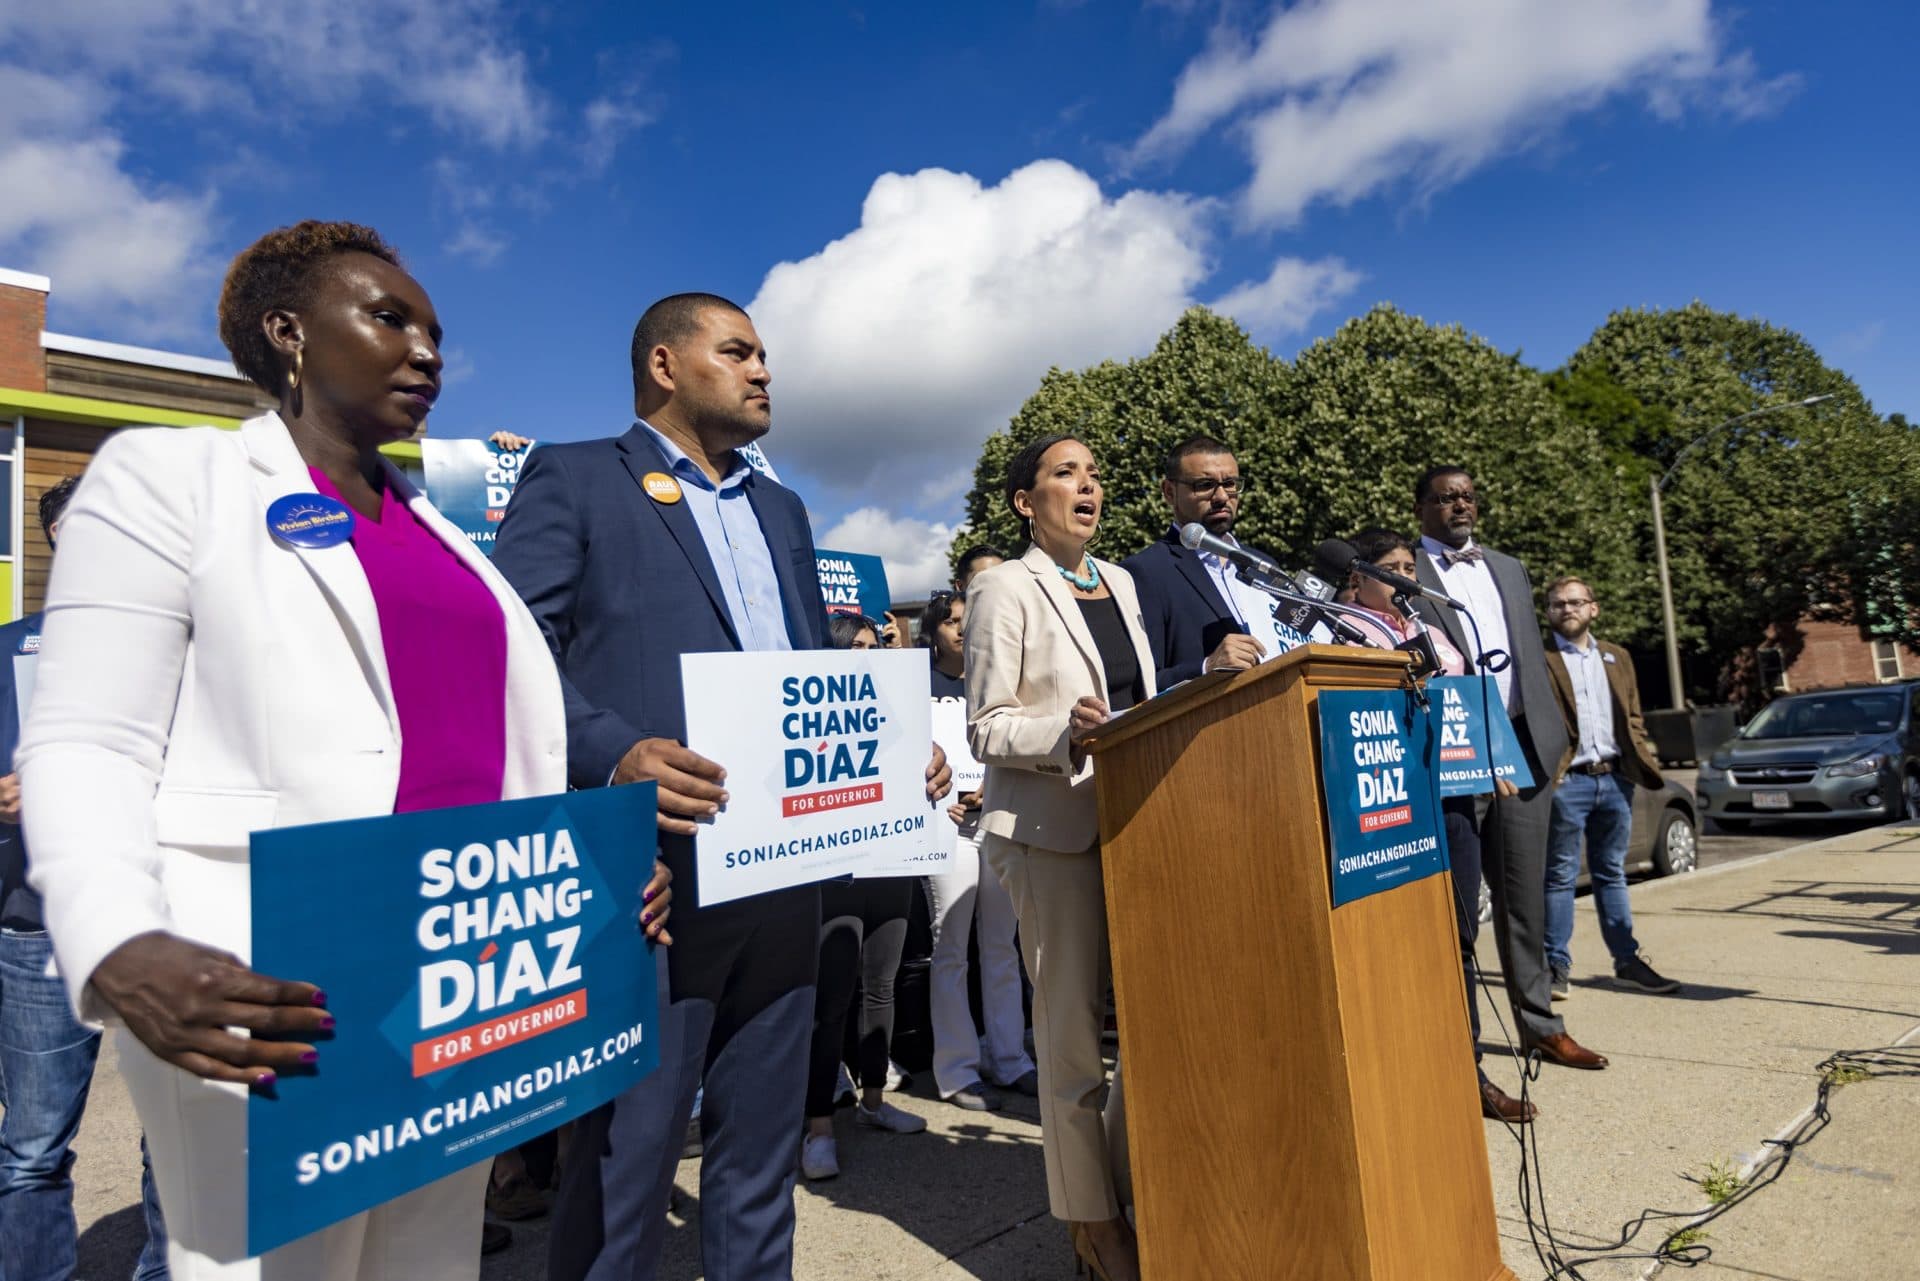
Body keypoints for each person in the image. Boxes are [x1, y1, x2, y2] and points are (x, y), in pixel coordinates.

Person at [17, 222, 675, 1279]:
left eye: (436, 333)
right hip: (264, 979)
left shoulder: (452, 542)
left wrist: (594, 869)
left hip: (456, 980)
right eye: (390, 319)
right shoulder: (170, 479)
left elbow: (505, 745)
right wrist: (116, 940)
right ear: (287, 332)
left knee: (431, 1262)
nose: (428, 351)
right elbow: (87, 738)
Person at [491, 291, 949, 1281]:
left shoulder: (780, 508)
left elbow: (798, 673)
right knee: (629, 1158)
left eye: (764, 355)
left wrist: (888, 750)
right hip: (652, 875)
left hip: (785, 874)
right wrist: (610, 753)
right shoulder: (573, 479)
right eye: (738, 352)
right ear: (664, 365)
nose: (764, 370)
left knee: (757, 1155)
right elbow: (509, 653)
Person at [967, 434, 1155, 1281]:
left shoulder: (1120, 582)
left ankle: (1120, 1187)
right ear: (1024, 501)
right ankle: (1094, 1225)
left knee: (1148, 1033)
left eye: (1094, 472)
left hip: (1138, 823)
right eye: (1066, 472)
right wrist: (1062, 732)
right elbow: (986, 724)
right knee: (1074, 1038)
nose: (1088, 484)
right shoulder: (1002, 585)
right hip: (1051, 832)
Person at [0, 477, 170, 1281]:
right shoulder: (6, 651)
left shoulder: (191, 652)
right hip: (40, 923)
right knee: (32, 1149)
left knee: (176, 1141)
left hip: (164, 918)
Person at [1407, 466, 1608, 1075]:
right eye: (1445, 498)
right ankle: (1455, 1043)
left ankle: (1541, 1025)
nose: (1460, 506)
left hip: (1522, 744)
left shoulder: (1509, 567)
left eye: (1467, 496)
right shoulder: (1404, 570)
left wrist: (1556, 741)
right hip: (1451, 751)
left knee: (1525, 898)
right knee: (1459, 909)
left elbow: (1529, 654)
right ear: (1422, 509)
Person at [1341, 527, 1536, 1122]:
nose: (1406, 577)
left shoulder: (1428, 625)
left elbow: (1462, 698)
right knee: (1397, 940)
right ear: (1358, 577)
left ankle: (1466, 1069)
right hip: (1387, 804)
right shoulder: (1339, 628)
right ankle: (1404, 1070)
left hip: (1451, 799)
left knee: (1459, 935)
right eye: (1391, 568)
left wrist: (1491, 756)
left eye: (1410, 567)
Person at [798, 616, 928, 1181]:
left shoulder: (895, 709)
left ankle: (873, 1101)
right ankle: (818, 1126)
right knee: (832, 1001)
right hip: (836, 873)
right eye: (853, 647)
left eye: (872, 648)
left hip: (891, 865)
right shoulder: (805, 717)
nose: (865, 655)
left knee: (881, 986)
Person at [921, 587, 1035, 1112]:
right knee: (951, 947)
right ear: (934, 630)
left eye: (971, 621)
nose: (963, 630)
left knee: (1002, 945)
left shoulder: (998, 678)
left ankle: (1009, 1058)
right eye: (952, 622)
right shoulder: (916, 683)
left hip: (996, 818)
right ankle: (957, 1070)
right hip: (944, 826)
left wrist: (995, 785)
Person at [1542, 577, 1681, 997]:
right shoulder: (1541, 659)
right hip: (1569, 783)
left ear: (1593, 608)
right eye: (1557, 604)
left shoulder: (1616, 657)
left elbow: (1633, 715)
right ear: (1548, 612)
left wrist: (1636, 759)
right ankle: (1555, 966)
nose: (1567, 609)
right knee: (1561, 876)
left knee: (1612, 874)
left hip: (1615, 780)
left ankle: (1627, 961)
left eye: (1575, 602)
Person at [1121, 434, 1280, 688]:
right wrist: (1206, 667)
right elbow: (1140, 684)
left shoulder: (1264, 566)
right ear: (1169, 492)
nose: (1221, 496)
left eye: (1230, 483)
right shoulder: (1144, 572)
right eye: (1205, 485)